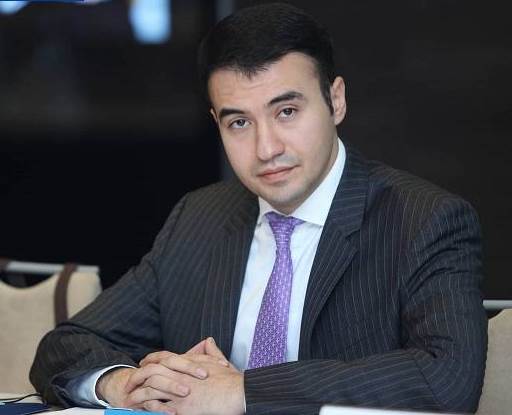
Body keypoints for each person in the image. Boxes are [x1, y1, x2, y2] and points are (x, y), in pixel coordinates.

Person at [30, 3, 487, 415]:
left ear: (336, 100)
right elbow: (66, 346)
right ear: (217, 123)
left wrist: (244, 391)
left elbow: (446, 379)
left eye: (286, 112)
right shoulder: (199, 218)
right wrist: (123, 384)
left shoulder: (425, 220)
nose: (266, 148)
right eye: (239, 122)